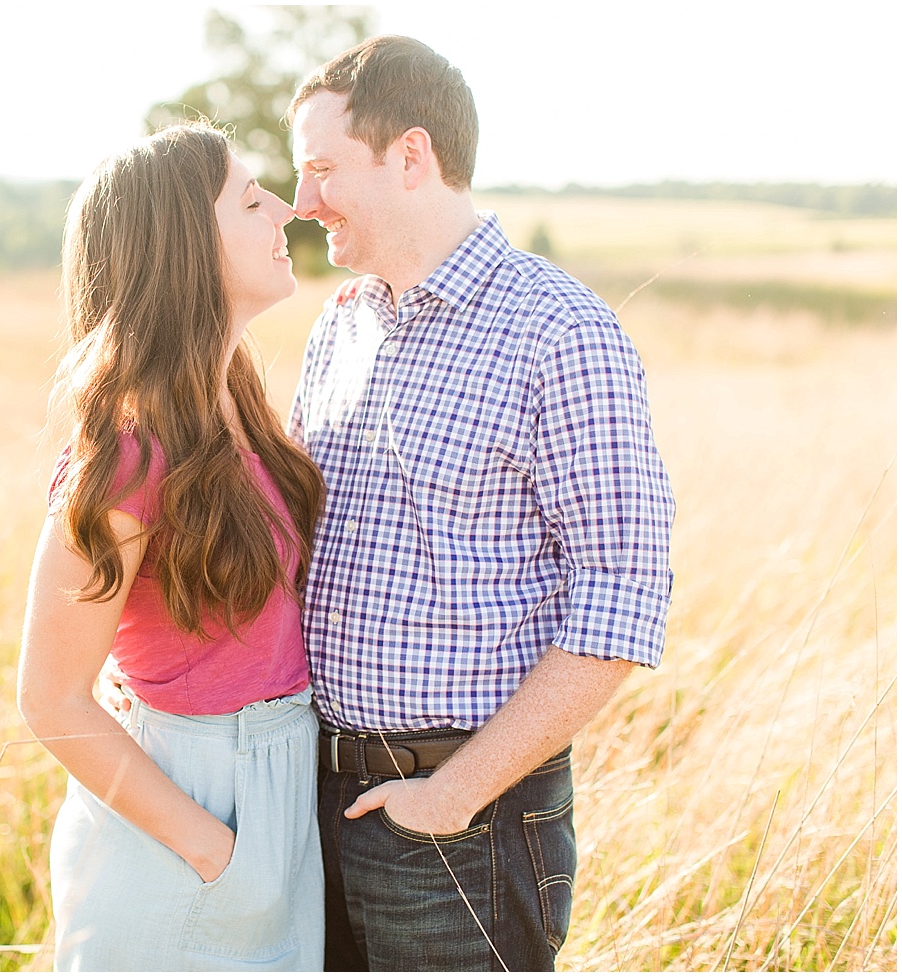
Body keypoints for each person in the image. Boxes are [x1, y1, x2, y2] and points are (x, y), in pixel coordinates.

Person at [284, 36, 676, 971]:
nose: (302, 201)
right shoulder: (339, 325)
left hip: (460, 822)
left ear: (411, 157)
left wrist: (454, 793)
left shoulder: (562, 331)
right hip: (315, 806)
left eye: (324, 168)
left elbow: (621, 599)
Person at [17, 122, 327, 971]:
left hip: (275, 787)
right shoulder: (130, 449)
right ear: (185, 243)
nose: (287, 211)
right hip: (192, 808)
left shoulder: (237, 405)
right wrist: (215, 853)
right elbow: (50, 698)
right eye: (252, 198)